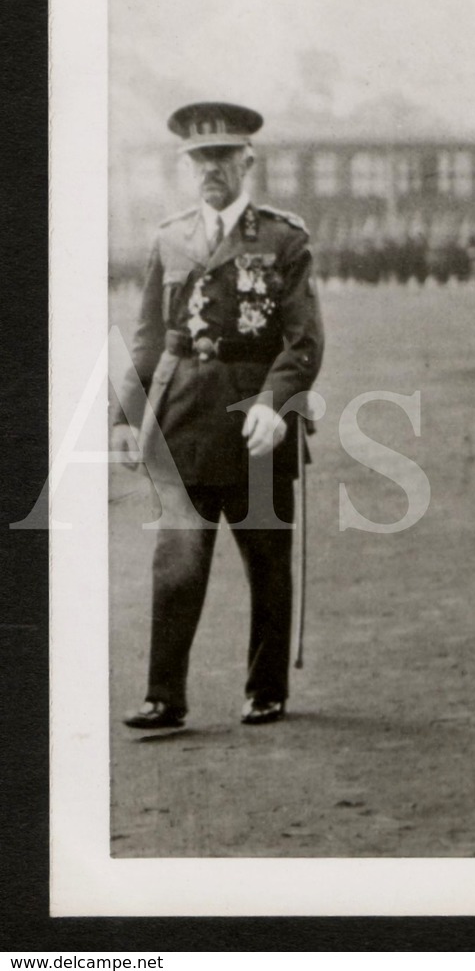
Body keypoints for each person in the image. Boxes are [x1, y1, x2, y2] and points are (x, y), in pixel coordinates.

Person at [113, 101, 324, 730]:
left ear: (247, 161)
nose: (210, 170)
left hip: (258, 422)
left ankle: (265, 689)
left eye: (222, 158)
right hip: (182, 420)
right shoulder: (169, 237)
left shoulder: (285, 239)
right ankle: (163, 696)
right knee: (176, 561)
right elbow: (150, 335)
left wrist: (274, 404)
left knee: (266, 561)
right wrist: (126, 416)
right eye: (199, 159)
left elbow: (303, 340)